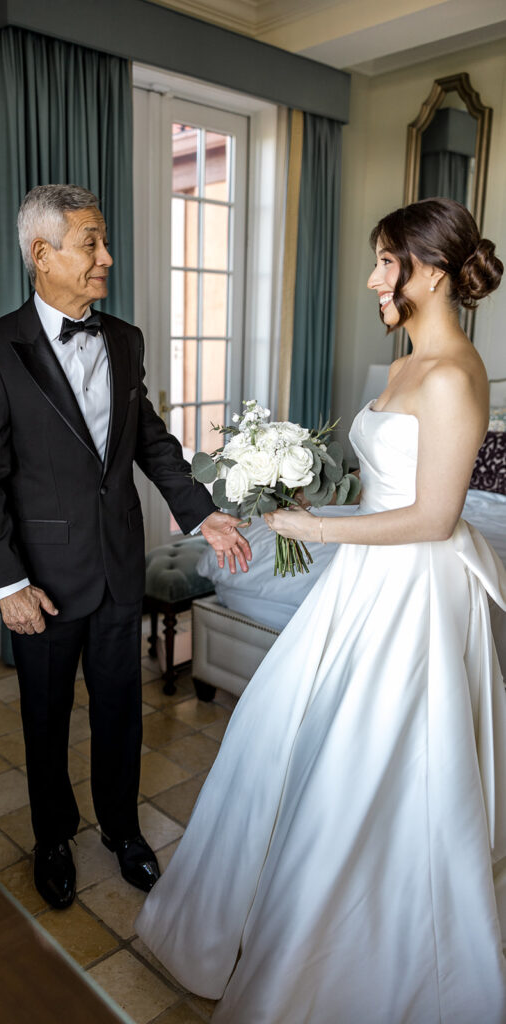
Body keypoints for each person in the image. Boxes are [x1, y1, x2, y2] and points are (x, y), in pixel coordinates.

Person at [135, 197, 506, 1023]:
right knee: (285, 727)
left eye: (386, 262)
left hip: (414, 590)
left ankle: (367, 935)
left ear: (433, 271)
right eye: (376, 260)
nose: (373, 278)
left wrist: (310, 524)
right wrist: (308, 493)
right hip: (365, 580)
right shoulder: (404, 365)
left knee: (383, 755)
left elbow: (436, 517)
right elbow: (386, 480)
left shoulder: (453, 373)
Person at [0, 184, 251, 910]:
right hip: (44, 579)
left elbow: (148, 438)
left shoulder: (124, 338)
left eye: (102, 241)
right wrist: (5, 584)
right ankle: (53, 836)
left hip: (120, 564)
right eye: (91, 242)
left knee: (122, 708)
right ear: (42, 254)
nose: (106, 259)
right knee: (45, 717)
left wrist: (200, 512)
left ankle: (122, 830)